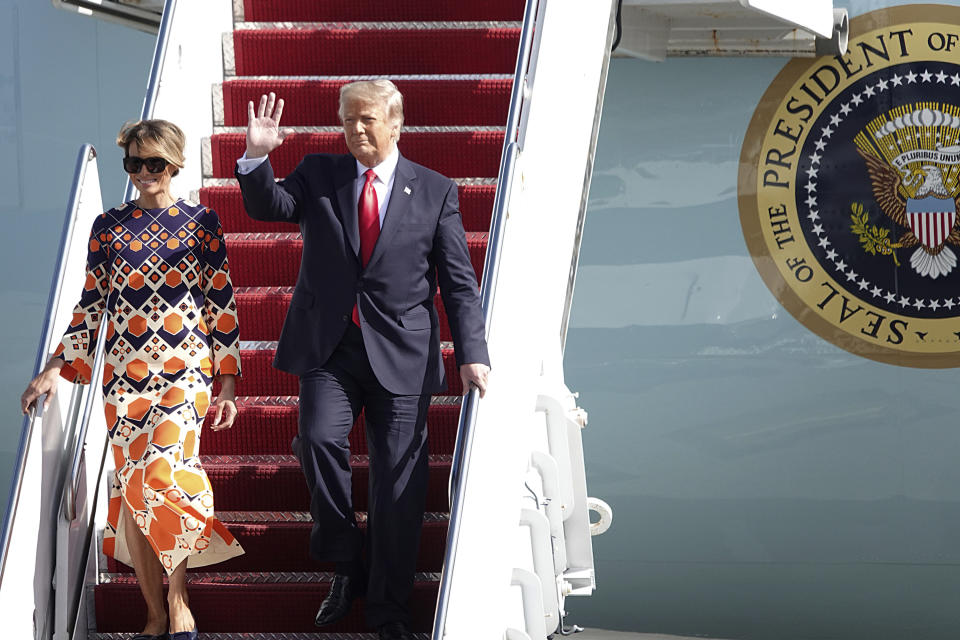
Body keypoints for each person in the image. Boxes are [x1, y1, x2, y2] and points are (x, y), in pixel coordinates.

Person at [235, 81, 490, 640]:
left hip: (403, 351)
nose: (355, 129)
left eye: (367, 119)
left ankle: (388, 613)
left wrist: (472, 353)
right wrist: (257, 157)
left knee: (398, 490)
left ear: (396, 122)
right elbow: (269, 206)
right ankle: (346, 557)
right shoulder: (320, 173)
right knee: (321, 439)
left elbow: (459, 284)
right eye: (347, 119)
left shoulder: (436, 190)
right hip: (332, 348)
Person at [21, 119, 244, 640]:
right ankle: (153, 613)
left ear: (175, 165)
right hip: (125, 377)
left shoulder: (202, 223)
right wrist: (57, 366)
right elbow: (92, 303)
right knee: (136, 490)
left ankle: (179, 595)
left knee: (164, 476)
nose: (144, 174)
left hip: (185, 370)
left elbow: (220, 302)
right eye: (134, 164)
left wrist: (228, 379)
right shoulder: (107, 226)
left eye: (154, 165)